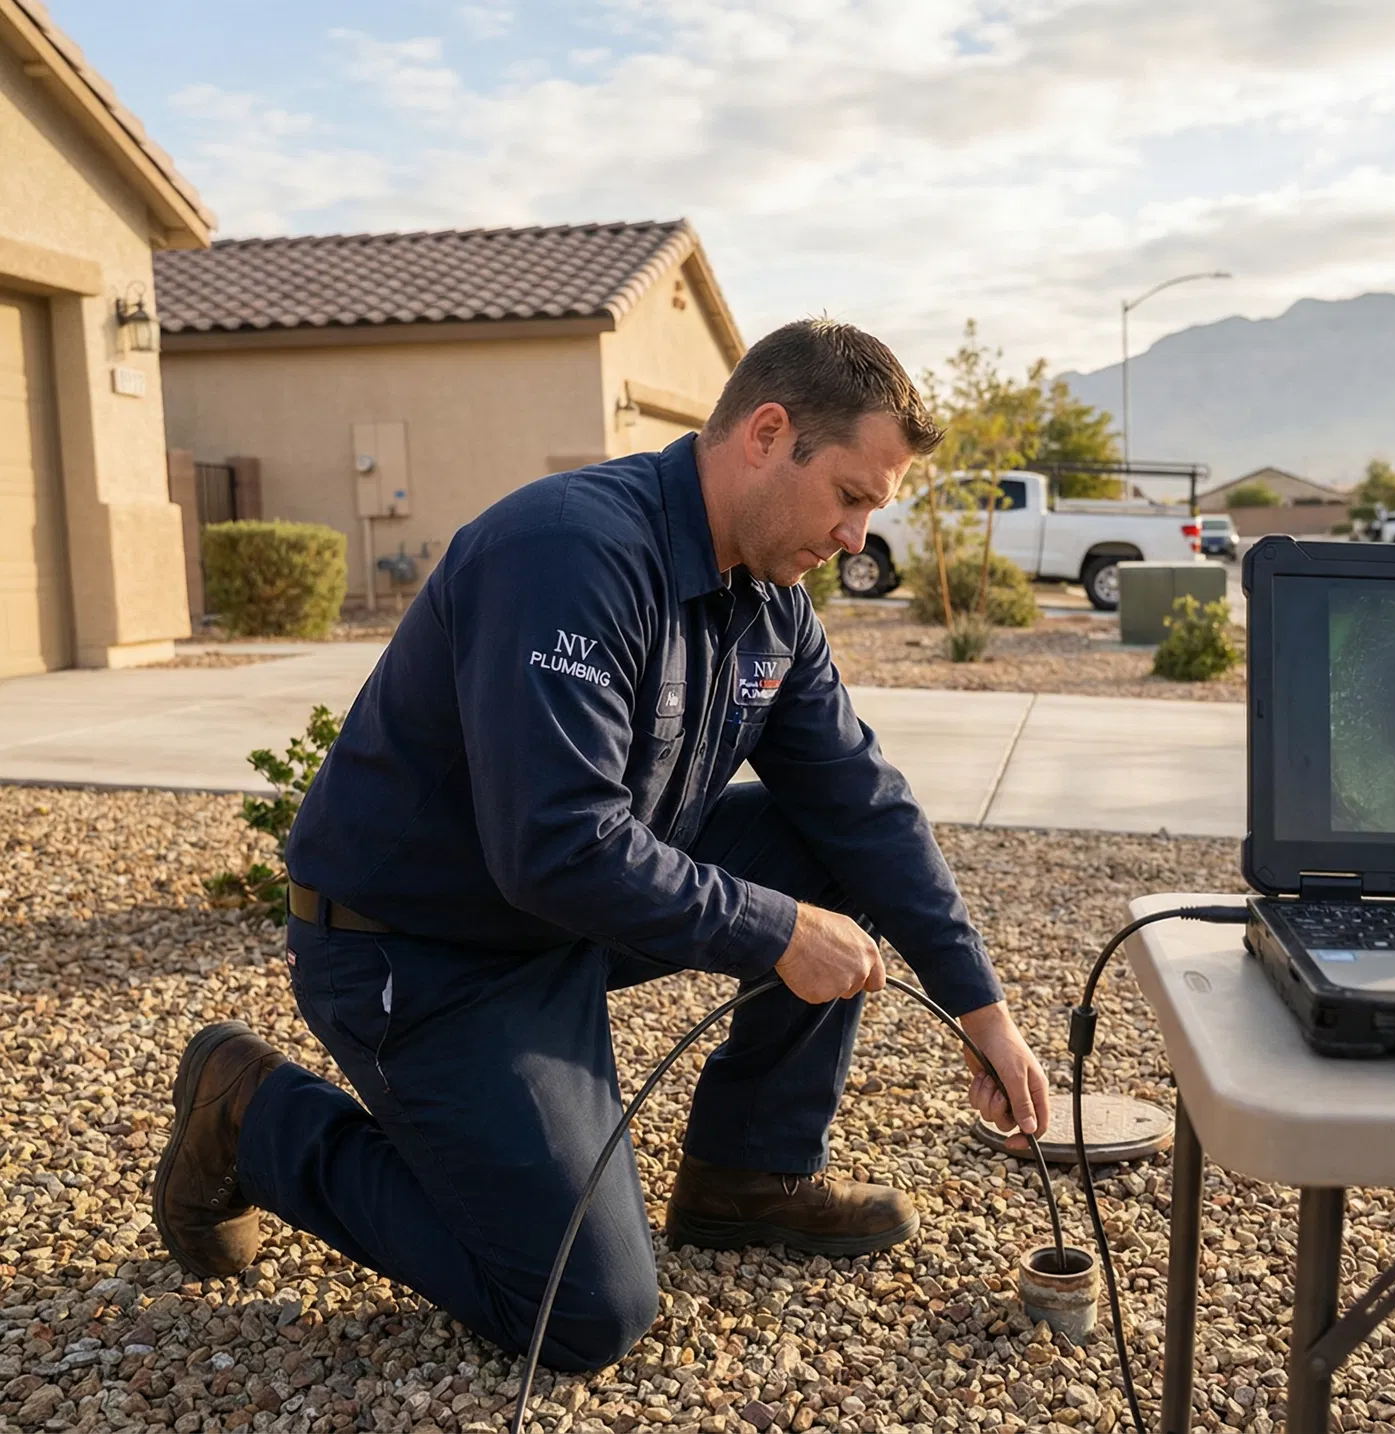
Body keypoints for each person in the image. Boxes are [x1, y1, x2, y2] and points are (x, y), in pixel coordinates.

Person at [150, 319, 1052, 1371]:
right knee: (586, 1314)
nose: (857, 537)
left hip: (564, 920)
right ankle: (256, 1116)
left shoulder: (771, 603)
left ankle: (746, 1175)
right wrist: (775, 932)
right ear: (767, 433)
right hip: (424, 950)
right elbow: (556, 846)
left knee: (825, 846)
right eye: (850, 496)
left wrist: (983, 1015)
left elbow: (865, 807)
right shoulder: (570, 553)